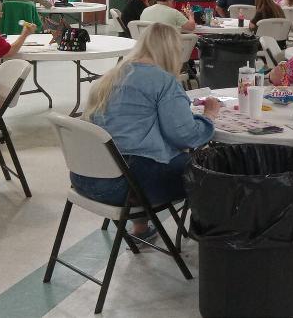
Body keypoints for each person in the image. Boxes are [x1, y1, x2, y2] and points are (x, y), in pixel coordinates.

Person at [74, 23, 219, 240]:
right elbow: (184, 136)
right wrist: (209, 116)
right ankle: (211, 236)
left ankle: (140, 228)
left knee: (136, 149)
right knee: (210, 171)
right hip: (125, 188)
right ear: (172, 51)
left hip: (85, 177)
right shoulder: (164, 82)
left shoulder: (110, 76)